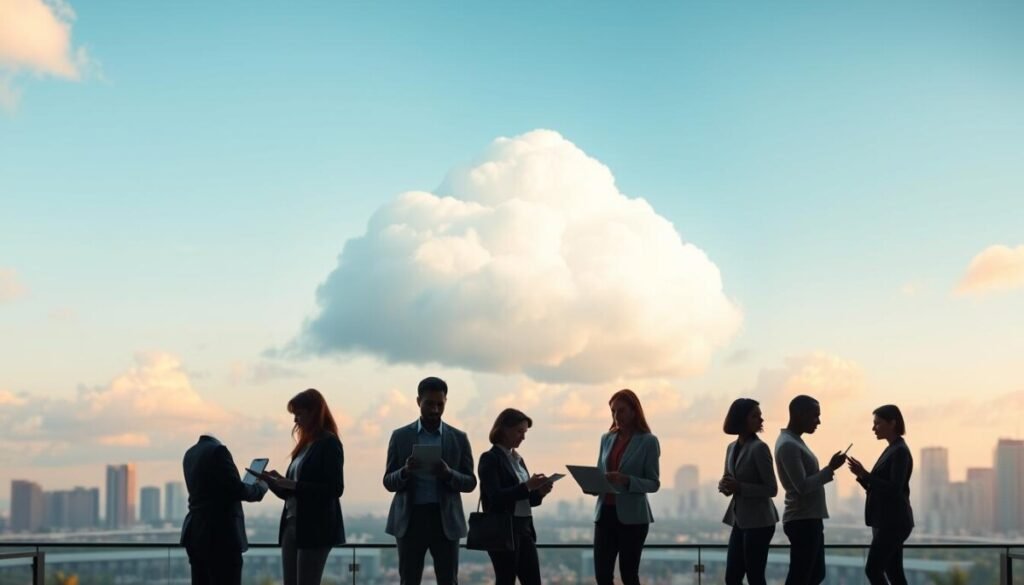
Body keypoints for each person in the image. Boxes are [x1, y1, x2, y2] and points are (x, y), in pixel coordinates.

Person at [383, 376, 477, 585]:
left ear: (445, 402)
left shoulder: (458, 438)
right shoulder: (400, 437)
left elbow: (470, 482)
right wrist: (405, 471)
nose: (435, 409)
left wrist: (448, 473)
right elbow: (388, 481)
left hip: (445, 520)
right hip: (411, 519)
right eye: (429, 404)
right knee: (409, 580)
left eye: (440, 404)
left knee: (448, 580)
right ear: (418, 402)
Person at [258, 389, 346, 585]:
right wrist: (274, 482)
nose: (295, 420)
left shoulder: (329, 443)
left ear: (313, 412)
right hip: (292, 524)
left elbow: (334, 489)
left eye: (299, 413)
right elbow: (293, 493)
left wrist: (293, 484)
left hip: (315, 528)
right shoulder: (305, 445)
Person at [775, 395, 847, 585]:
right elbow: (802, 486)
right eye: (815, 416)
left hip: (808, 518)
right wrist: (830, 469)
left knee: (814, 574)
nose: (819, 421)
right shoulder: (789, 445)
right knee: (802, 576)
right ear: (799, 414)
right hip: (802, 520)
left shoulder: (793, 441)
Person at [591, 389, 661, 585]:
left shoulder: (648, 441)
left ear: (634, 411)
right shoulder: (606, 439)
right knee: (602, 576)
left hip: (633, 519)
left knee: (629, 575)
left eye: (621, 411)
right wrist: (592, 485)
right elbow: (600, 472)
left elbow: (654, 483)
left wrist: (626, 480)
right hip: (605, 513)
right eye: (613, 411)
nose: (616, 416)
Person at [478, 408, 553, 585]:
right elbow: (495, 496)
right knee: (506, 579)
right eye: (519, 431)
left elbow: (526, 500)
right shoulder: (490, 458)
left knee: (533, 580)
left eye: (524, 432)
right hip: (503, 530)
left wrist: (539, 492)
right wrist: (527, 486)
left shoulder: (518, 459)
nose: (523, 437)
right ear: (504, 429)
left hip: (524, 528)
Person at [180, 434, 268, 585]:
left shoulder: (190, 453)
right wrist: (261, 487)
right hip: (221, 537)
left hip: (196, 534)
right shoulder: (219, 451)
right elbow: (237, 490)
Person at [847, 404, 914, 585]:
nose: (873, 428)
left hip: (892, 522)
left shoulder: (899, 451)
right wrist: (862, 477)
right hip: (886, 521)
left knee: (873, 569)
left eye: (877, 423)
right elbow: (880, 489)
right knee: (894, 572)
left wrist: (866, 475)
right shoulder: (893, 448)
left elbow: (894, 488)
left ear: (892, 423)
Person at [719, 398, 779, 585]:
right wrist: (725, 486)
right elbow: (729, 478)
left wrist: (740, 487)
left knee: (755, 576)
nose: (761, 420)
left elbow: (772, 489)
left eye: (760, 416)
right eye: (755, 416)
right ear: (740, 419)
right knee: (732, 577)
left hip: (760, 521)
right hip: (739, 520)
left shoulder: (760, 448)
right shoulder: (731, 448)